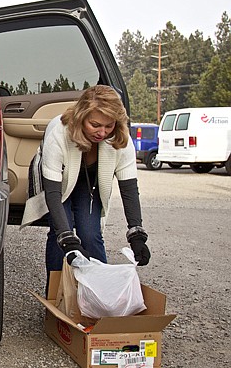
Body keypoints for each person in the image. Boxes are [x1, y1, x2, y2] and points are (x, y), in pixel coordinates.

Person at [21, 85, 151, 284]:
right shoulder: (59, 131)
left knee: (90, 234)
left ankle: (99, 294)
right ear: (81, 117)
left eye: (109, 126)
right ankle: (55, 298)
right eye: (95, 124)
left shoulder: (120, 138)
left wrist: (137, 233)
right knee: (60, 235)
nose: (102, 132)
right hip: (58, 179)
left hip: (89, 182)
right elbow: (54, 194)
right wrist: (66, 238)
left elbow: (129, 189)